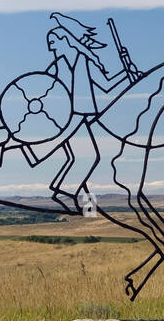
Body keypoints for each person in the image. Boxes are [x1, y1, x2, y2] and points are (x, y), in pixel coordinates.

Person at [34, 12, 133, 213]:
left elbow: (106, 85)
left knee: (84, 158)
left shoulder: (84, 61)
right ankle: (66, 194)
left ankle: (86, 208)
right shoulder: (57, 67)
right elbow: (46, 91)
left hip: (80, 117)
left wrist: (126, 71)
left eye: (52, 41)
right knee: (88, 157)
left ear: (64, 40)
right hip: (71, 119)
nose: (50, 47)